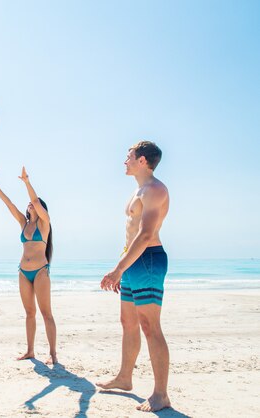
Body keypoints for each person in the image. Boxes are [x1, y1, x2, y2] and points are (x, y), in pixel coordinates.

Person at [97, 141, 171, 413]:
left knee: (150, 326)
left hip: (148, 260)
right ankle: (125, 377)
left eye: (128, 156)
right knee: (127, 321)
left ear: (142, 160)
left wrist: (118, 268)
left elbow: (146, 234)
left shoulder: (155, 190)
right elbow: (131, 234)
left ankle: (161, 394)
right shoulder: (137, 191)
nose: (124, 160)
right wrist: (123, 265)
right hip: (132, 262)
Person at [0, 167, 57, 364]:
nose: (30, 205)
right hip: (23, 272)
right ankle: (30, 351)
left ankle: (53, 354)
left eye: (34, 205)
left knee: (46, 313)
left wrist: (26, 182)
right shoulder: (23, 223)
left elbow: (35, 200)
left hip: (41, 271)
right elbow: (8, 204)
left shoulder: (45, 224)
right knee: (29, 313)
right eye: (29, 205)